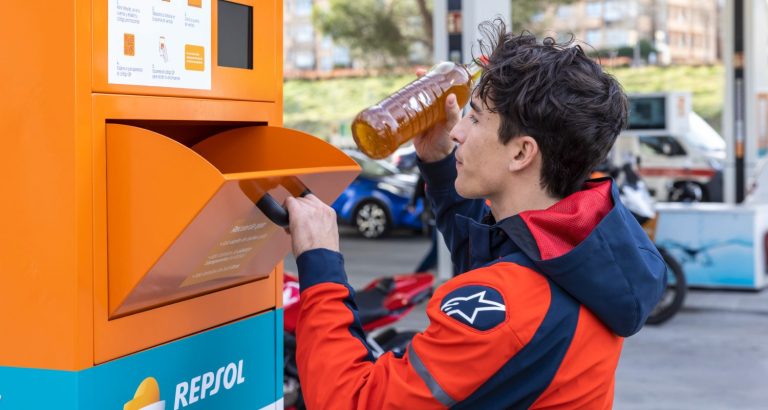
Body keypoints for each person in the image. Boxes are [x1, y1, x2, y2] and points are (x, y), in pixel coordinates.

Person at [285, 19, 666, 409]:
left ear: (522, 152)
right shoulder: (586, 255)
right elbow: (494, 257)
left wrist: (320, 262)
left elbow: (349, 400)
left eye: (476, 117)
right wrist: (439, 162)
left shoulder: (510, 308)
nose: (456, 131)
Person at [408, 172, 438, 273]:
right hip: (435, 215)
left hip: (435, 214)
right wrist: (413, 203)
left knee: (438, 249)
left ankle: (422, 271)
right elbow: (419, 186)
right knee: (436, 249)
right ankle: (419, 273)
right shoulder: (429, 170)